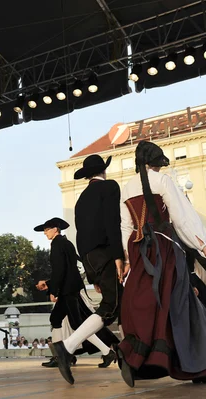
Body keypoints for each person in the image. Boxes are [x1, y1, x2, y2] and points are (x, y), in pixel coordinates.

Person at [116, 141, 206, 387]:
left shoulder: (126, 187)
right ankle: (201, 367)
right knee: (183, 304)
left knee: (146, 304)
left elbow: (126, 227)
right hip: (164, 249)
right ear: (156, 162)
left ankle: (133, 354)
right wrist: (203, 247)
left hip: (139, 251)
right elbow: (182, 219)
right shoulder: (163, 181)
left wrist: (128, 260)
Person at [52, 155, 123, 384]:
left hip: (90, 257)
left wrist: (92, 274)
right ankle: (68, 346)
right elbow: (113, 222)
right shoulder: (110, 187)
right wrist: (119, 255)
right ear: (104, 171)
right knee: (110, 306)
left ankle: (127, 355)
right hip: (105, 252)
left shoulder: (81, 199)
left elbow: (81, 235)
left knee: (120, 302)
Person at [35, 217, 115, 371]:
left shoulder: (57, 244)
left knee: (76, 324)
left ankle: (102, 352)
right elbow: (68, 270)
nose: (45, 233)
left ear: (56, 229)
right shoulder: (66, 243)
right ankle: (62, 355)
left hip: (68, 290)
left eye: (47, 229)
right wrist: (50, 284)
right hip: (70, 288)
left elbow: (60, 270)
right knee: (58, 319)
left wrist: (53, 290)